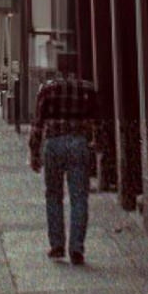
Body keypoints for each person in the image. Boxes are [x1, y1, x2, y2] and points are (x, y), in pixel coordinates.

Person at [28, 54, 101, 265]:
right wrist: (97, 148)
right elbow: (97, 123)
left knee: (53, 195)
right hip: (78, 144)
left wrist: (34, 153)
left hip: (54, 144)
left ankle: (57, 245)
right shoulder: (87, 89)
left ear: (58, 69)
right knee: (79, 197)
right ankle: (77, 247)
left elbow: (37, 125)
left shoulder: (47, 89)